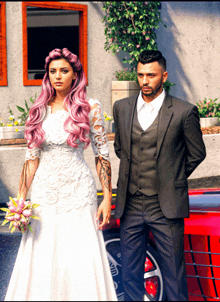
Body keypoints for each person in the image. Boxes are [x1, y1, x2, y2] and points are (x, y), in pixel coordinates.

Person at [5, 48, 117, 301]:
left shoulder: (91, 107)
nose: (58, 76)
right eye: (53, 71)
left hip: (79, 192)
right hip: (45, 193)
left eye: (64, 71)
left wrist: (107, 197)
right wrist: (21, 199)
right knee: (44, 251)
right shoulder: (39, 109)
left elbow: (102, 155)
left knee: (79, 252)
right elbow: (31, 159)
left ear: (75, 75)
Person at [113, 50, 206, 301]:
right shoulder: (121, 108)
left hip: (164, 205)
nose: (145, 81)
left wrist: (171, 177)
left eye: (151, 75)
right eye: (141, 75)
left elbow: (197, 153)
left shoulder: (184, 111)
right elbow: (120, 148)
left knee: (174, 278)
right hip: (130, 203)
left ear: (163, 76)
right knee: (130, 276)